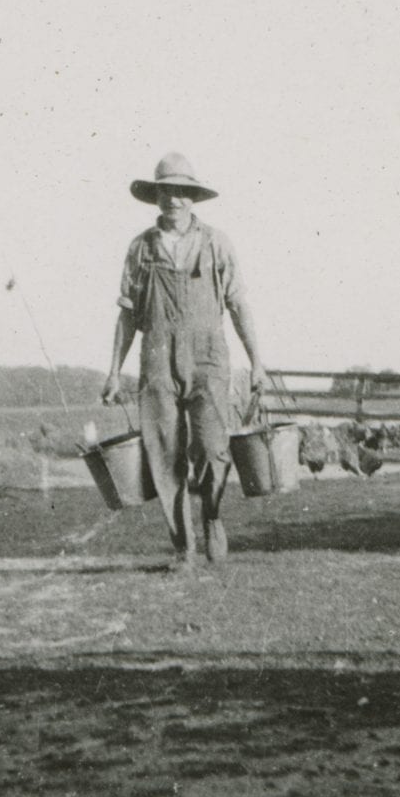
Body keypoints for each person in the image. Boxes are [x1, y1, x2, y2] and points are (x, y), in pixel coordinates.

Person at [102, 152, 267, 564]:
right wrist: (113, 371)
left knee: (212, 447)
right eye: (165, 192)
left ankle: (211, 516)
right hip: (157, 357)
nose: (173, 199)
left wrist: (257, 361)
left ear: (193, 197)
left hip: (208, 358)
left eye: (181, 192)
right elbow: (127, 315)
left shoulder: (216, 243)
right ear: (155, 197)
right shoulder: (141, 248)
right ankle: (184, 547)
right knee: (163, 452)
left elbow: (238, 305)